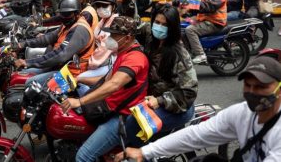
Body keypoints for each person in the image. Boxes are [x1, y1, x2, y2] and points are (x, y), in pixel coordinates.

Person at [115, 55, 281, 162]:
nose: (252, 92)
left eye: (261, 87)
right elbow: (196, 135)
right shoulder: (242, 113)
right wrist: (144, 152)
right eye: (248, 86)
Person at [60, 16, 149, 162]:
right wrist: (78, 79)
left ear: (127, 38)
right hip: (109, 108)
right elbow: (105, 80)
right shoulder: (122, 53)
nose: (109, 38)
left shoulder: (135, 58)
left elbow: (114, 84)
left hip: (123, 116)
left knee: (83, 156)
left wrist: (80, 101)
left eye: (114, 35)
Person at [124, 3, 198, 148]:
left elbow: (189, 92)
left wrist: (160, 101)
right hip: (149, 98)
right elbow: (132, 25)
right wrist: (128, 2)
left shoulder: (179, 54)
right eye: (157, 22)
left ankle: (145, 156)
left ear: (172, 28)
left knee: (133, 124)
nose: (159, 27)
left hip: (176, 107)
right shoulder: (151, 37)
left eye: (165, 25)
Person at [15, 0, 95, 86]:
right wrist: (22, 44)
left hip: (71, 74)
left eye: (67, 14)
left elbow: (60, 55)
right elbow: (49, 38)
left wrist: (28, 62)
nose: (64, 17)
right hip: (59, 66)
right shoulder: (68, 24)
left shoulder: (80, 29)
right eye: (62, 14)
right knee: (22, 74)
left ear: (77, 13)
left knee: (30, 83)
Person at [77, 0, 118, 86]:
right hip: (97, 60)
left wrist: (87, 63)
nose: (100, 8)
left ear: (113, 7)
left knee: (79, 80)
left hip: (106, 64)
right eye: (98, 5)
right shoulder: (103, 21)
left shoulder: (115, 25)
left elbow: (102, 52)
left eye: (104, 5)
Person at [185, 0, 227, 64]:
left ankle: (200, 54)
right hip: (205, 19)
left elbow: (206, 7)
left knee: (190, 30)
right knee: (184, 21)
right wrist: (177, 1)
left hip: (215, 23)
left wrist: (187, 2)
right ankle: (188, 48)